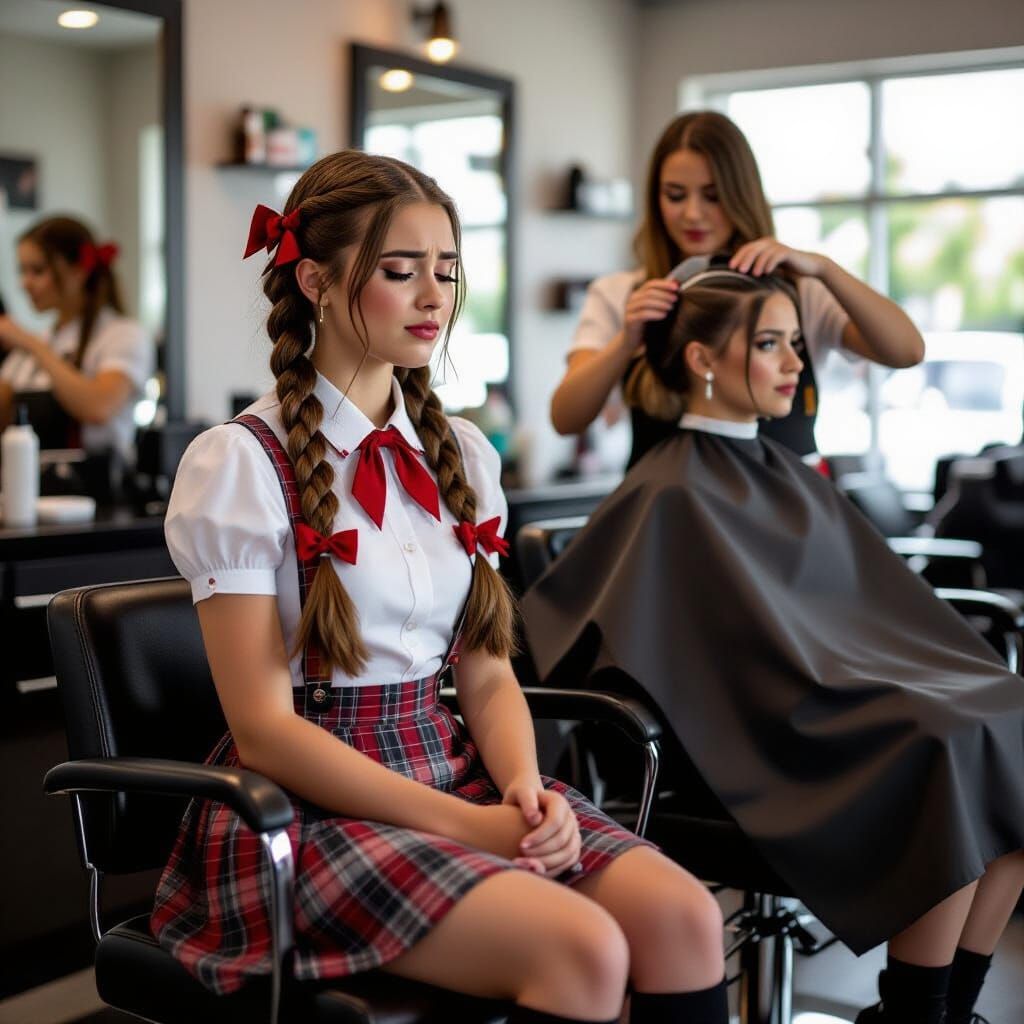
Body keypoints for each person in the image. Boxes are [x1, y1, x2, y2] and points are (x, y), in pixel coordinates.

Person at [151, 151, 729, 1024]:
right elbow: (264, 732)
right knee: (586, 949)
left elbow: (487, 673)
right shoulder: (239, 463)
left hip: (455, 765)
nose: (435, 297)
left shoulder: (461, 452)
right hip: (307, 808)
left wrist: (526, 794)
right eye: (400, 271)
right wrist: (471, 828)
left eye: (448, 271)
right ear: (313, 278)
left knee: (685, 918)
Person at [522, 264, 1024, 1024]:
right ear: (701, 360)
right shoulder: (670, 492)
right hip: (755, 734)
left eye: (796, 342)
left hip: (824, 693)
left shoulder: (778, 471)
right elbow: (711, 654)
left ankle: (947, 1010)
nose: (797, 363)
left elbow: (844, 612)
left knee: (1011, 719)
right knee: (943, 746)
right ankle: (915, 1013)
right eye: (771, 344)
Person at [550, 109, 925, 466]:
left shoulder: (800, 292)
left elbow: (907, 351)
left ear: (741, 194)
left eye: (712, 196)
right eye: (675, 195)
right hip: (670, 520)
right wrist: (628, 339)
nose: (692, 213)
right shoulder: (622, 293)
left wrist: (824, 269)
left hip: (787, 517)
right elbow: (565, 419)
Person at [0, 216, 153, 466]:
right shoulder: (39, 343)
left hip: (98, 494)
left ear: (78, 271)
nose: (24, 283)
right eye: (22, 271)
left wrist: (32, 345)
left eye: (37, 271)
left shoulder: (123, 335)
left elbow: (98, 407)